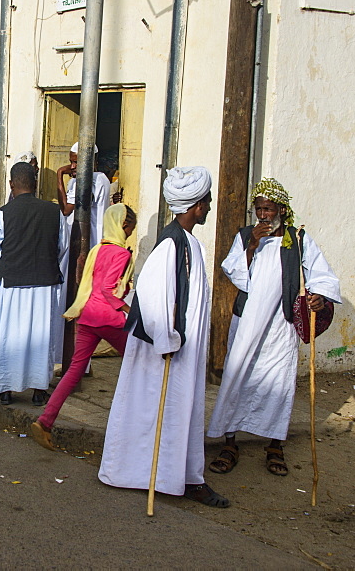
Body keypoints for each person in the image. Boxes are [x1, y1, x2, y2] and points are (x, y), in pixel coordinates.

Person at [98, 166, 230, 509]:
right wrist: (166, 338)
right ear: (197, 205)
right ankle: (152, 474)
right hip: (167, 349)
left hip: (182, 348)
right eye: (208, 201)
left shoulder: (187, 242)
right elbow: (155, 297)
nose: (211, 205)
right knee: (158, 410)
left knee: (179, 410)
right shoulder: (171, 245)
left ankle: (184, 475)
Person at [206, 178, 341, 477]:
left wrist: (318, 295)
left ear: (281, 208)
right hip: (247, 324)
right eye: (259, 210)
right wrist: (252, 244)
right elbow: (235, 272)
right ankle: (230, 442)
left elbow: (321, 274)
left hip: (281, 325)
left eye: (268, 209)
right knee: (237, 377)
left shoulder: (299, 239)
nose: (263, 216)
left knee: (279, 384)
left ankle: (275, 444)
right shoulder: (244, 237)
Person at [30, 203, 136, 449]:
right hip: (109, 318)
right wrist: (130, 311)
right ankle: (134, 426)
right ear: (123, 225)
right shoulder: (121, 253)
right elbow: (109, 290)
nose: (130, 232)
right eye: (130, 227)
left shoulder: (98, 249)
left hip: (88, 314)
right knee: (139, 363)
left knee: (74, 371)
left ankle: (45, 421)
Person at [0, 162, 68, 406]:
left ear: (11, 184)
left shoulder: (2, 214)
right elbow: (62, 248)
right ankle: (39, 389)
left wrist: (3, 268)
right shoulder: (54, 213)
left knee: (7, 336)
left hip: (11, 285)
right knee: (40, 336)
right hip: (43, 285)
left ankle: (5, 389)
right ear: (35, 184)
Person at [56, 142, 111, 243]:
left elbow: (66, 210)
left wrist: (60, 173)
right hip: (97, 237)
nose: (72, 166)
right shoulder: (103, 178)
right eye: (71, 162)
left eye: (76, 162)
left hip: (85, 240)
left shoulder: (88, 180)